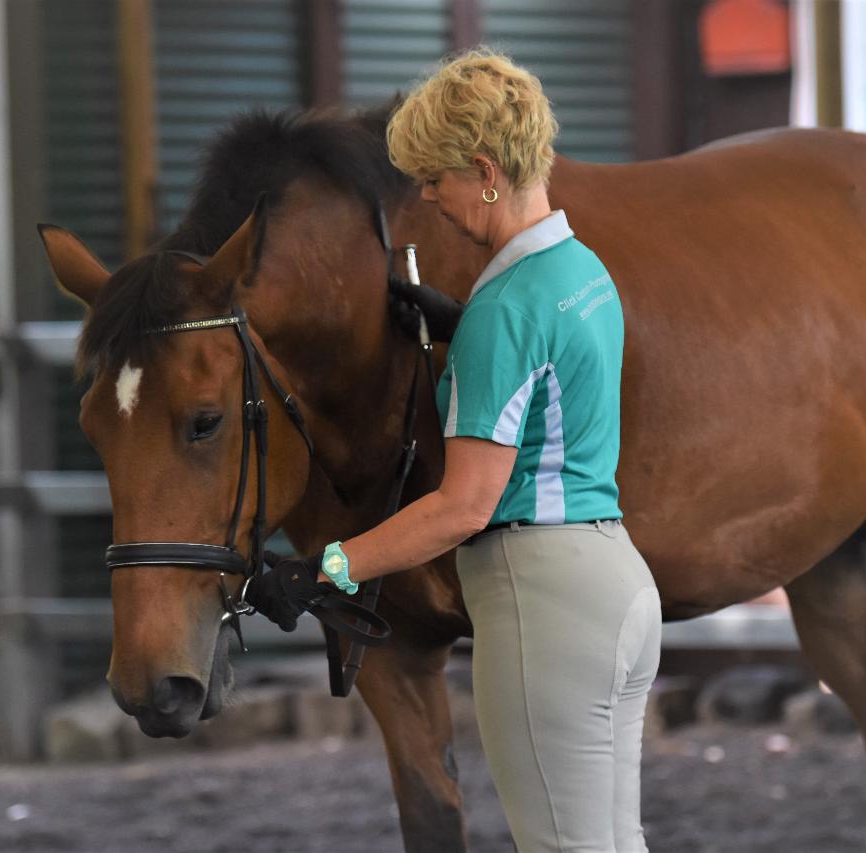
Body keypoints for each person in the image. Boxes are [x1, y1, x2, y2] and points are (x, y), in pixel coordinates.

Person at [247, 49, 661, 853]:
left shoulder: (504, 310)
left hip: (544, 603)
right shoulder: (582, 272)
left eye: (434, 178)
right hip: (616, 588)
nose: (428, 199)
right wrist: (459, 322)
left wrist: (326, 566)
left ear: (485, 171)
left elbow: (462, 505)